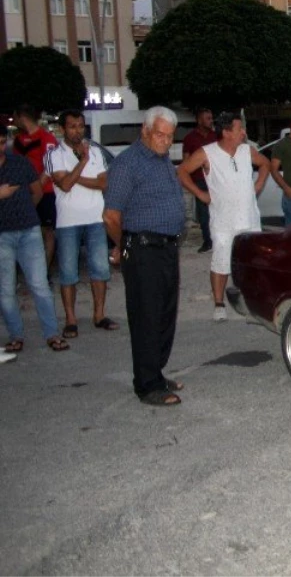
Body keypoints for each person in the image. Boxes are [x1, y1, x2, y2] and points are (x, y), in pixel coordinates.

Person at [103, 107, 187, 406]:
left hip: (166, 248)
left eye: (169, 136)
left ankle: (156, 372)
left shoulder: (162, 160)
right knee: (146, 317)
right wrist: (123, 245)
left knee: (165, 314)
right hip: (143, 250)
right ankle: (147, 384)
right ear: (145, 131)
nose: (165, 141)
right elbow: (111, 216)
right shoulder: (128, 164)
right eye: (160, 135)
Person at [177, 113, 269, 322]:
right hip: (223, 220)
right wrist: (200, 194)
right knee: (221, 261)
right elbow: (182, 171)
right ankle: (219, 304)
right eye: (239, 129)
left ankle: (250, 302)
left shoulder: (248, 151)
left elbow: (265, 164)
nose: (244, 132)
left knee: (251, 262)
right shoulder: (206, 153)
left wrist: (259, 184)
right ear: (226, 132)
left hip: (249, 218)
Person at [47, 109, 118, 337]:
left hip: (96, 219)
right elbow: (64, 185)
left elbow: (104, 183)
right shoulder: (54, 153)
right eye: (72, 126)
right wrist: (83, 163)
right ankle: (70, 319)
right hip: (68, 222)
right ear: (62, 129)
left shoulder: (96, 151)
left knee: (100, 270)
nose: (77, 131)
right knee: (68, 273)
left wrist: (75, 177)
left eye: (80, 126)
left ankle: (99, 315)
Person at [1, 126, 68, 353]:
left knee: (39, 285)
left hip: (28, 231)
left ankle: (52, 334)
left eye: (2, 142)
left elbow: (37, 190)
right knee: (6, 289)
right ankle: (16, 335)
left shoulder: (19, 163)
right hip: (2, 235)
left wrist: (27, 210)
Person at [12, 104, 59, 268]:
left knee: (48, 232)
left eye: (15, 116)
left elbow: (50, 167)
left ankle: (44, 270)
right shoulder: (18, 141)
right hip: (24, 194)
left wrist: (36, 187)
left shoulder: (47, 138)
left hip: (45, 193)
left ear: (21, 117)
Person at [182, 109, 218, 253]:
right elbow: (186, 160)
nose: (211, 121)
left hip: (216, 180)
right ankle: (207, 240)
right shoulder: (190, 138)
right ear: (199, 120)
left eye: (211, 118)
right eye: (207, 118)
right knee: (203, 213)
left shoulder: (216, 136)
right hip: (200, 180)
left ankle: (217, 239)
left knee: (218, 211)